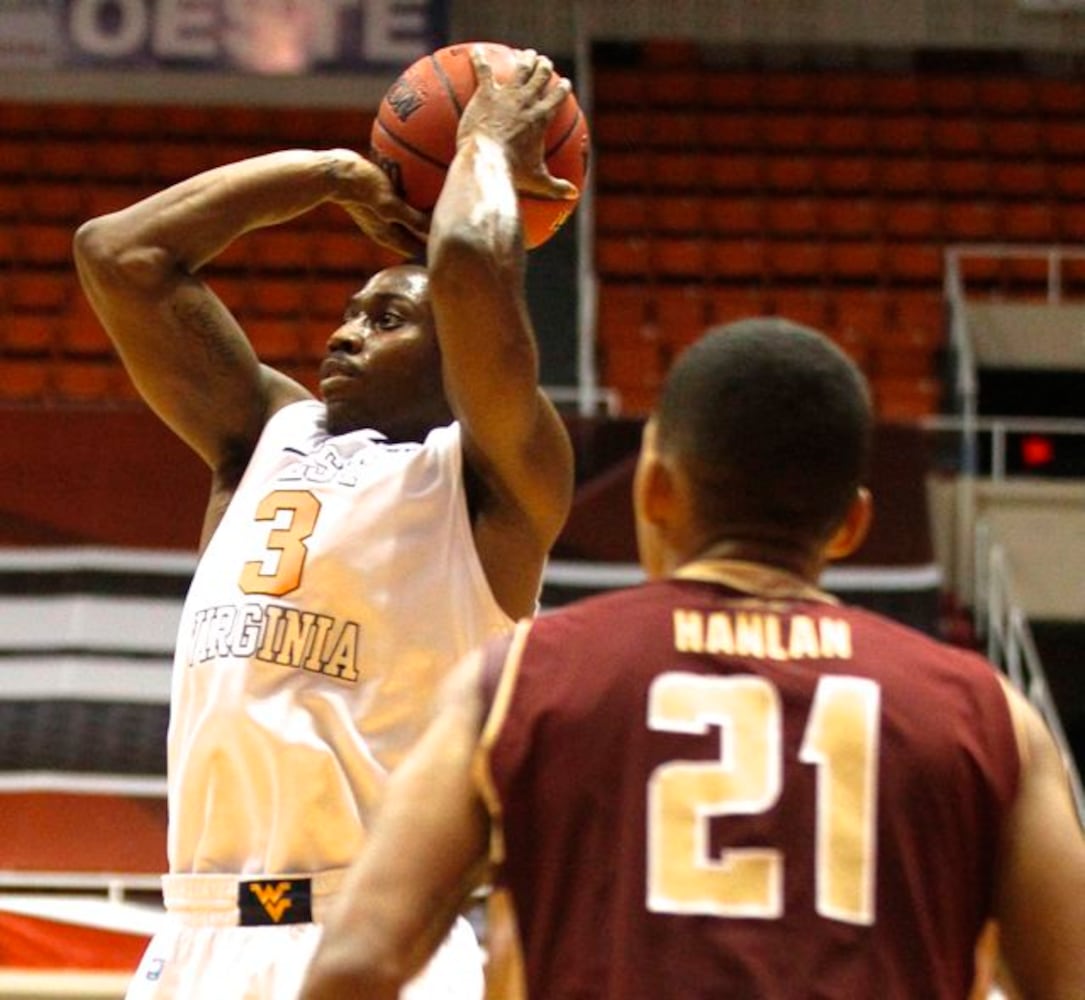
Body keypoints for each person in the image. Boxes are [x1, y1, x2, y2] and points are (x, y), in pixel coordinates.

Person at [299, 317, 1085, 1000]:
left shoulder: (515, 681)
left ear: (652, 489)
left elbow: (356, 962)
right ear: (850, 525)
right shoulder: (990, 720)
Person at [73, 46, 577, 1000]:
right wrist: (325, 176)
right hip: (194, 937)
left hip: (369, 936)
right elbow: (120, 256)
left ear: (458, 357)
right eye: (349, 312)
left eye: (388, 320)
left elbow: (471, 262)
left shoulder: (496, 482)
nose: (344, 333)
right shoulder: (264, 433)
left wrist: (485, 145)